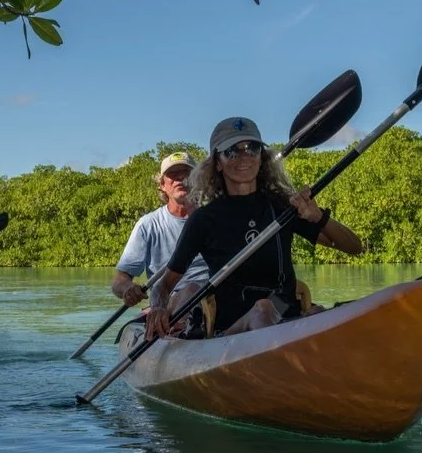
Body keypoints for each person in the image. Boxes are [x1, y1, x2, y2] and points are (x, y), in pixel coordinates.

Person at [147, 116, 362, 339]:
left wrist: (317, 217)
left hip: (287, 315)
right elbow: (163, 286)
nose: (244, 156)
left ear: (262, 158)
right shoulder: (203, 219)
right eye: (232, 150)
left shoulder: (283, 208)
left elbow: (354, 247)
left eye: (252, 148)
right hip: (231, 330)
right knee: (262, 310)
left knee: (286, 310)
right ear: (218, 163)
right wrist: (158, 308)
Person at [112, 153, 211, 316]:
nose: (180, 178)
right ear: (163, 185)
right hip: (168, 305)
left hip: (214, 298)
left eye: (187, 173)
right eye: (172, 174)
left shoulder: (214, 218)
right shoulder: (148, 225)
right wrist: (128, 289)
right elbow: (119, 280)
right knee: (191, 290)